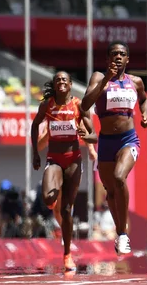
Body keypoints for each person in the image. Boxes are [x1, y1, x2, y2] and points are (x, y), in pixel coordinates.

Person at [81, 41, 147, 256]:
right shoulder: (97, 78)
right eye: (114, 54)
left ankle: (122, 234)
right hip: (106, 142)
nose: (118, 57)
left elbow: (143, 100)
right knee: (110, 192)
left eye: (122, 54)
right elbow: (85, 105)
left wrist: (145, 115)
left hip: (128, 140)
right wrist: (106, 81)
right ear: (107, 59)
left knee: (120, 177)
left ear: (127, 59)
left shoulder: (136, 81)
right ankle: (121, 232)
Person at [31, 70, 96, 272]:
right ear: (55, 84)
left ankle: (67, 255)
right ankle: (53, 202)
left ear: (69, 85)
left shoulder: (78, 105)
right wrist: (35, 152)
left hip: (74, 161)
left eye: (64, 80)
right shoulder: (47, 106)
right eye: (57, 79)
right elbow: (36, 129)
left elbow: (93, 135)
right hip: (54, 159)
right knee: (49, 199)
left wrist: (87, 138)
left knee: (67, 210)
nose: (61, 82)